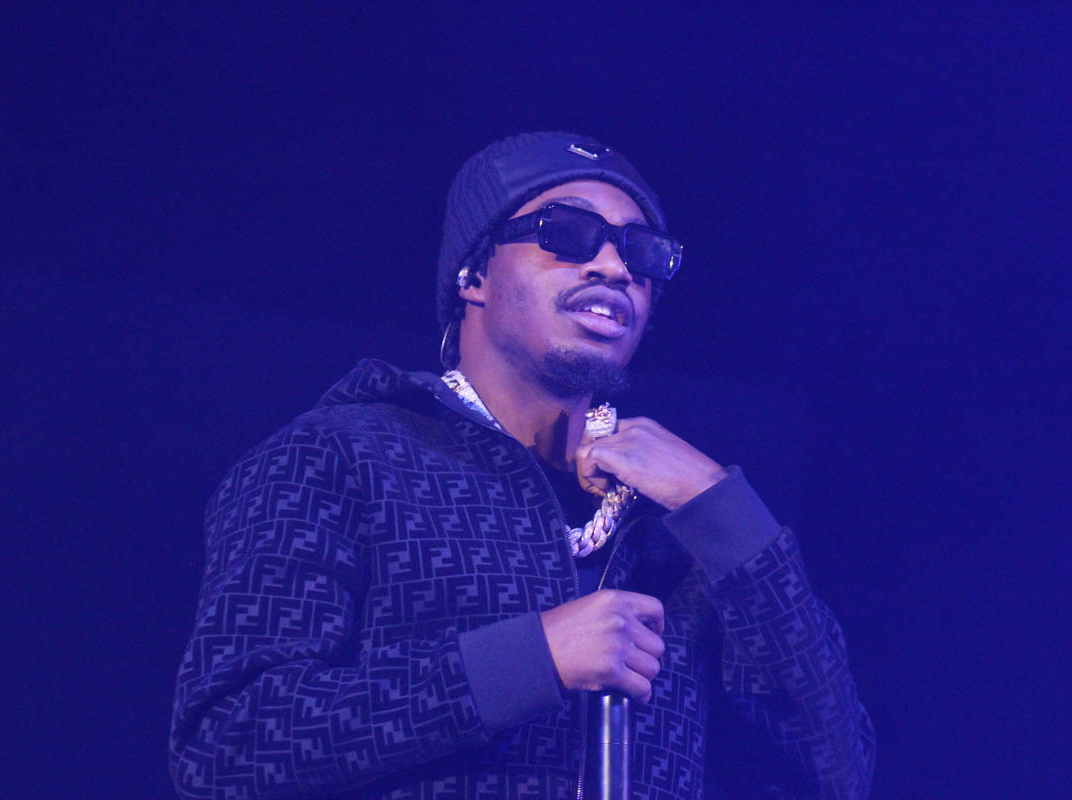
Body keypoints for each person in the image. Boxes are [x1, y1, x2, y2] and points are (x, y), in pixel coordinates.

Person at [170, 132, 876, 799]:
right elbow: (226, 748)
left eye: (641, 253)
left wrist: (725, 513)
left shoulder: (679, 522)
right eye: (566, 233)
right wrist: (529, 661)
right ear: (474, 273)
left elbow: (835, 773)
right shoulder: (340, 455)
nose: (614, 268)